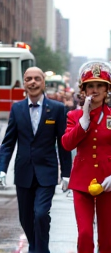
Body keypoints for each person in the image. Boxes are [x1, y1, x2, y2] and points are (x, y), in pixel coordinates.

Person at [61, 61, 111, 253]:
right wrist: (84, 121)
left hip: (108, 181)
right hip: (81, 183)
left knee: (106, 239)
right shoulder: (74, 115)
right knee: (85, 235)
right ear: (84, 90)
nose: (94, 90)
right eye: (90, 86)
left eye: (99, 85)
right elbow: (67, 144)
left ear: (107, 90)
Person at [0, 66, 72, 253]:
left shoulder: (57, 109)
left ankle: (40, 250)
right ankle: (36, 246)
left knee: (40, 214)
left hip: (46, 172)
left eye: (37, 79)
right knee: (25, 218)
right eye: (29, 79)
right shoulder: (16, 109)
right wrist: (2, 169)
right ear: (24, 83)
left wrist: (66, 174)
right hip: (23, 172)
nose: (33, 82)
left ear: (43, 83)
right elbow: (8, 143)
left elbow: (63, 143)